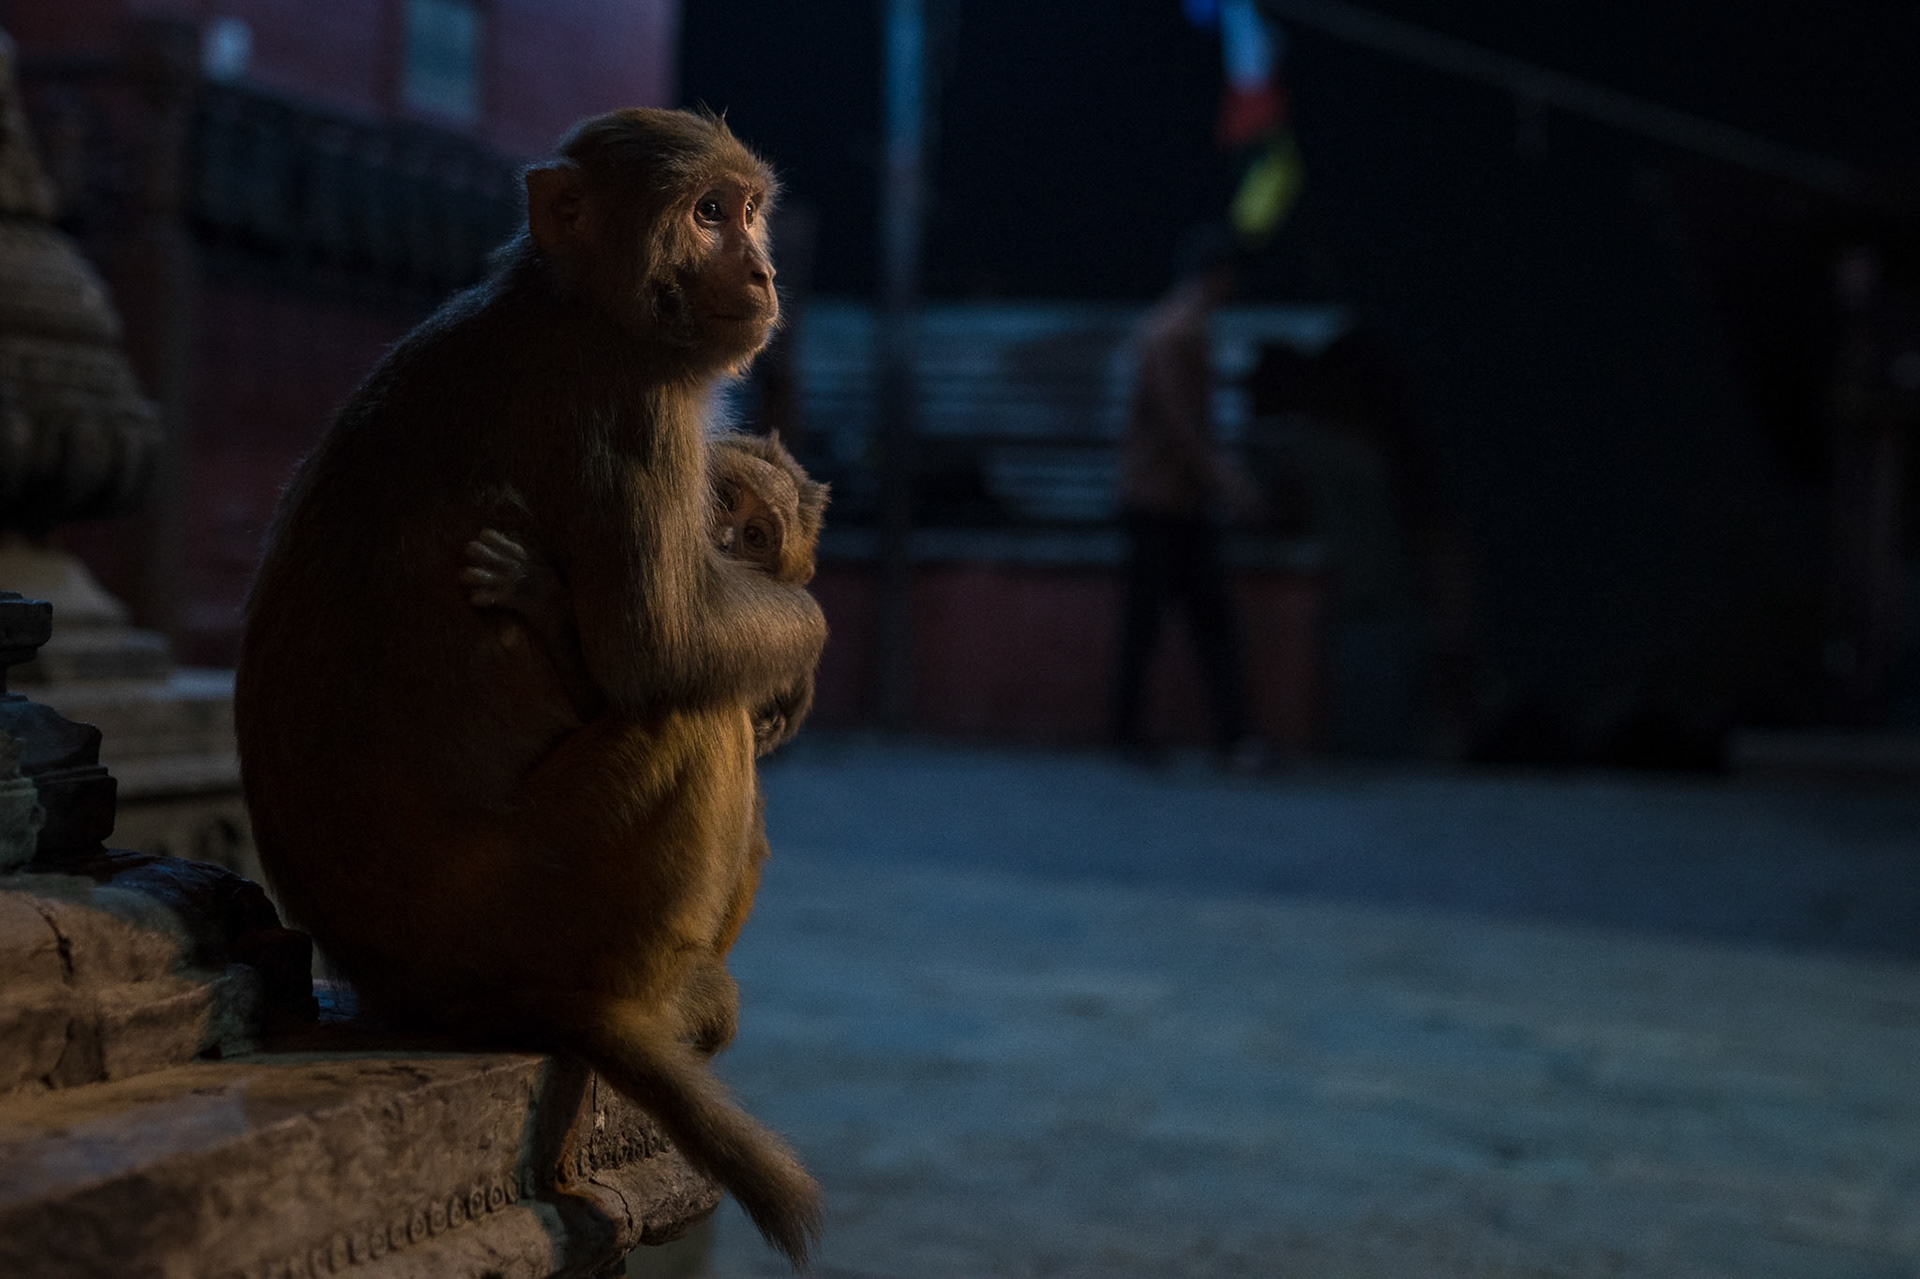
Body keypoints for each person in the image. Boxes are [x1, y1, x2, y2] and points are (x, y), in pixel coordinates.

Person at [1110, 223, 1264, 768]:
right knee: (1177, 623)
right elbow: (1182, 427)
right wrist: (1229, 482)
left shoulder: (1176, 328)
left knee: (1177, 622)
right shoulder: (1175, 332)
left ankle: (1213, 736)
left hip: (1170, 500)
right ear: (1216, 276)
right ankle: (1213, 737)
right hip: (1163, 501)